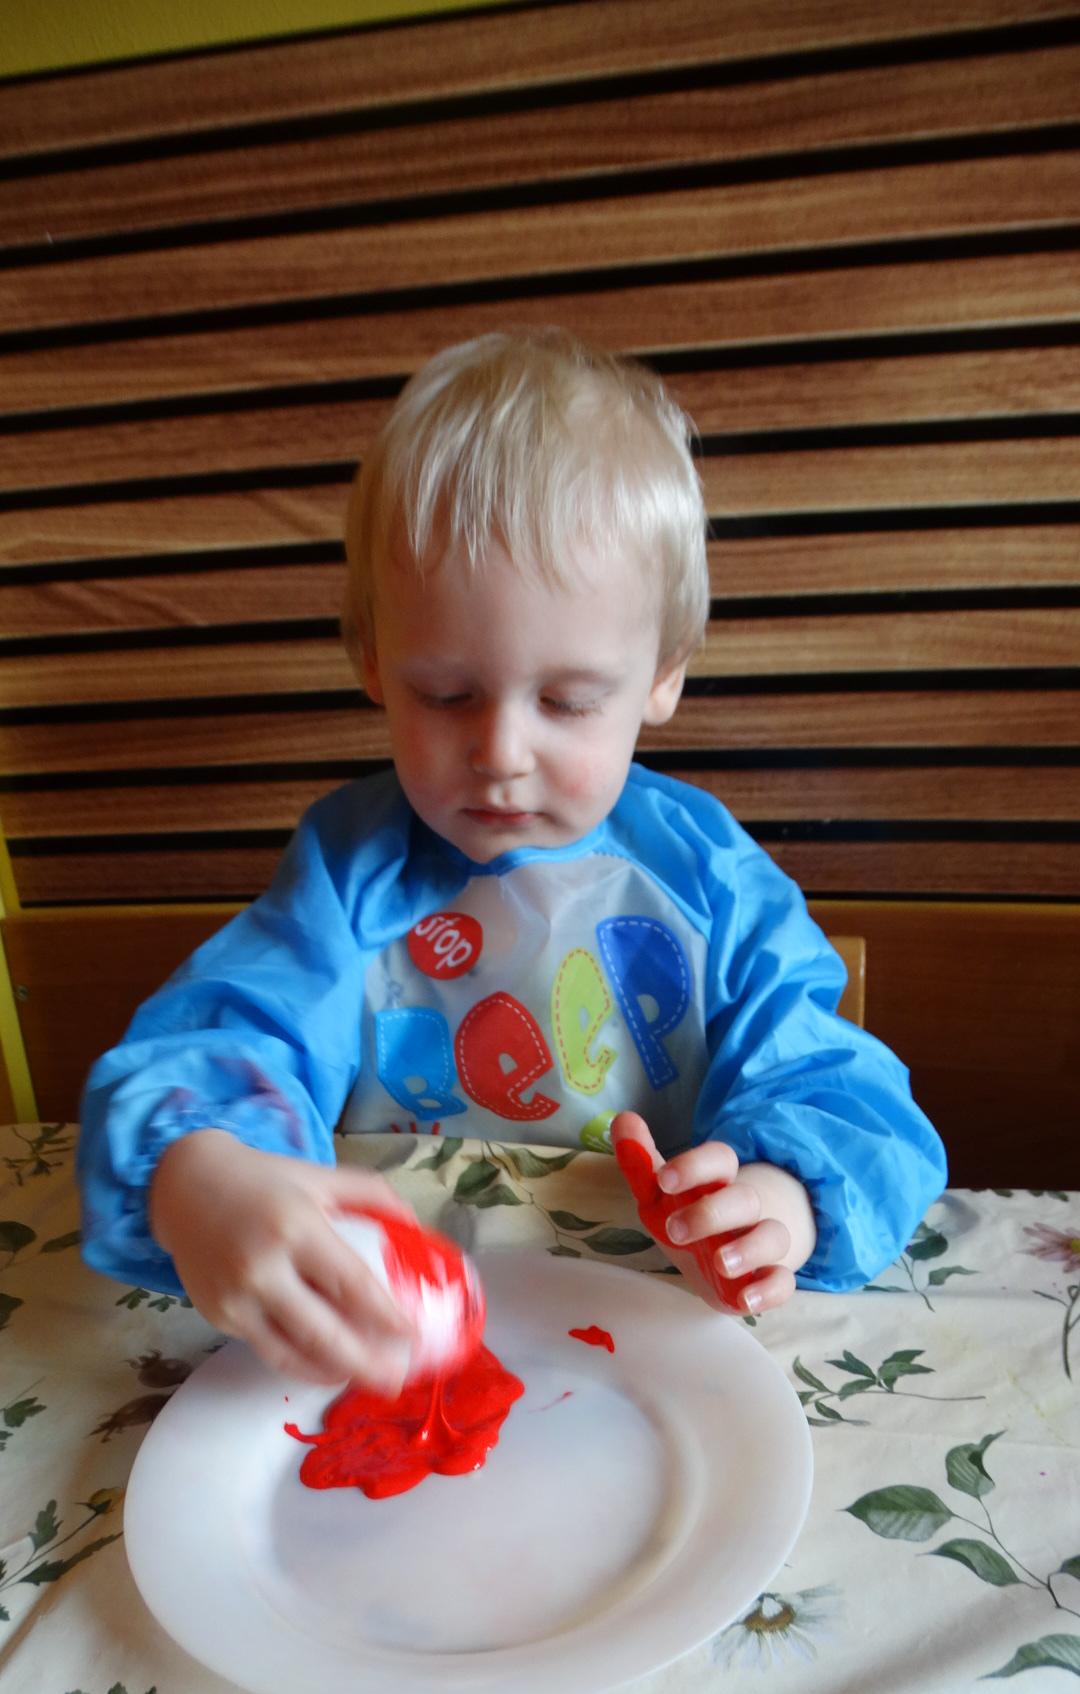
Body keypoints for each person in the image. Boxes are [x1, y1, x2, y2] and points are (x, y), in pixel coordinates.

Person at [77, 330, 946, 1391]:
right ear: (373, 662)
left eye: (569, 701)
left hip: (652, 1353)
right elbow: (223, 1036)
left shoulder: (707, 877)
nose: (499, 752)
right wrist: (203, 1173)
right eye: (445, 694)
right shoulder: (350, 873)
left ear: (663, 675)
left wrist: (781, 1200)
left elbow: (835, 1088)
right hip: (387, 1346)